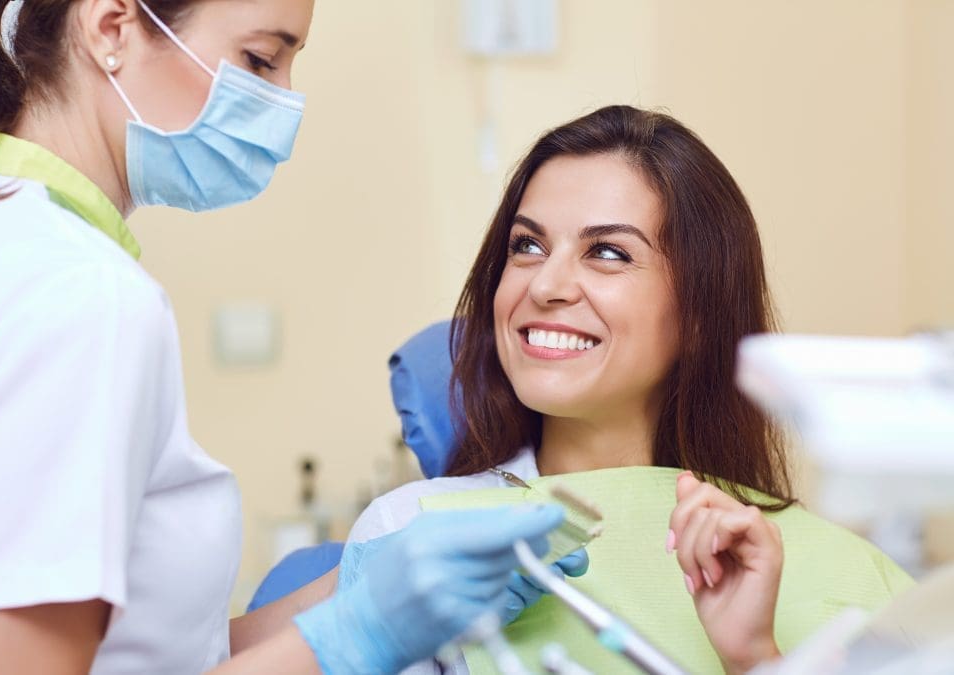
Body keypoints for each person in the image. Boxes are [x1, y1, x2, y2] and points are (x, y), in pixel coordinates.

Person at [0, 0, 587, 673]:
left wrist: (354, 589)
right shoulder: (81, 300)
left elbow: (148, 655)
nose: (284, 107)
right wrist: (356, 635)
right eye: (259, 60)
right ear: (112, 26)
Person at [346, 105, 914, 674]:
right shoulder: (412, 537)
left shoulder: (849, 576)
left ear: (698, 315)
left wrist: (752, 658)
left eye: (608, 253)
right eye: (527, 246)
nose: (545, 285)